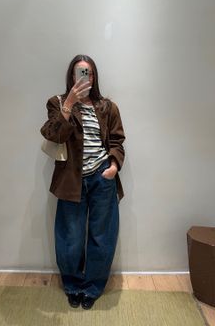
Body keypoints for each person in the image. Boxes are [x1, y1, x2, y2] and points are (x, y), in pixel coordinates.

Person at [40, 54, 126, 310]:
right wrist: (69, 103)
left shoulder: (108, 107)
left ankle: (92, 287)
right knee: (70, 237)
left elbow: (117, 141)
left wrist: (112, 166)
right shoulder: (56, 103)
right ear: (71, 76)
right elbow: (54, 135)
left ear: (94, 77)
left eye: (88, 72)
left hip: (102, 178)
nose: (84, 77)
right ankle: (73, 285)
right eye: (79, 72)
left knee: (102, 236)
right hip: (71, 180)